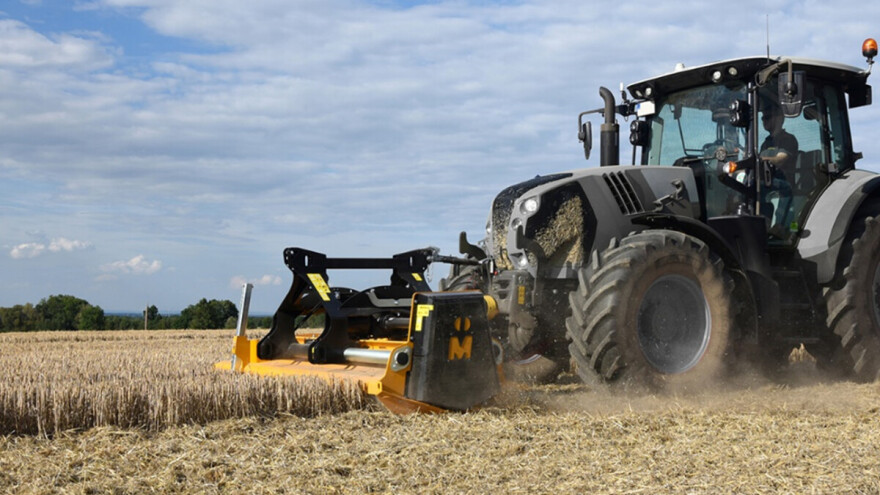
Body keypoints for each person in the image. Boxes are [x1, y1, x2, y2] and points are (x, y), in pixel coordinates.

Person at [759, 101, 798, 238]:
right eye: (763, 118)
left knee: (760, 187)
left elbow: (781, 159)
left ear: (780, 118)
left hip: (785, 182)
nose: (764, 121)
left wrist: (760, 161)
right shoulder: (765, 143)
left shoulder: (788, 139)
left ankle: (780, 227)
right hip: (768, 183)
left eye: (768, 117)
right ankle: (761, 226)